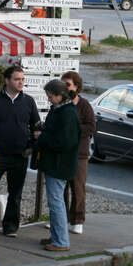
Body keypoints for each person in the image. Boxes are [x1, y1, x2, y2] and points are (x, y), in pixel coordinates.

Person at [0, 65, 40, 237]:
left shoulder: (28, 101)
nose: (21, 82)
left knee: (15, 194)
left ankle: (11, 227)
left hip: (19, 155)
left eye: (22, 79)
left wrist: (30, 147)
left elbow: (36, 126)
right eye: (17, 79)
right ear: (7, 81)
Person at [36, 79, 80, 252]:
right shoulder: (61, 110)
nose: (48, 99)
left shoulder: (67, 114)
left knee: (56, 203)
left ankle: (61, 241)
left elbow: (64, 142)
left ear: (60, 96)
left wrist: (42, 136)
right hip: (57, 164)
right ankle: (56, 237)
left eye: (50, 96)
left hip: (59, 165)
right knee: (56, 202)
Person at [60, 71, 95, 235]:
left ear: (76, 86)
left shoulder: (84, 105)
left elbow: (91, 127)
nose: (65, 88)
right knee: (60, 188)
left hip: (79, 153)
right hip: (62, 152)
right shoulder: (62, 104)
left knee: (78, 187)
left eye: (68, 85)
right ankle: (61, 218)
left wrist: (74, 130)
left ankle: (78, 219)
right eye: (63, 84)